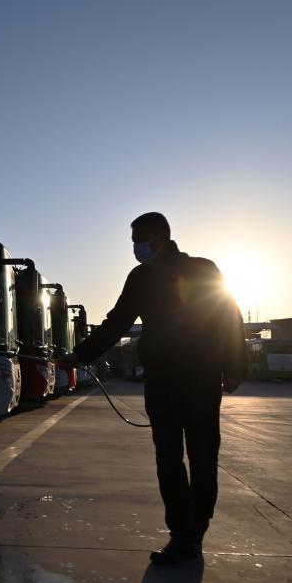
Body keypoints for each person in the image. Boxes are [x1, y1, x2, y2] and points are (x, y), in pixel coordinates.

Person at [60, 212, 245, 564]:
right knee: (168, 459)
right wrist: (80, 355)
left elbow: (229, 315)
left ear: (161, 236)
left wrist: (234, 366)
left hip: (201, 379)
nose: (136, 247)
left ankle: (196, 530)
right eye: (132, 241)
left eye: (140, 239)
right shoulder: (141, 277)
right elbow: (117, 322)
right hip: (161, 382)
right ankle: (182, 534)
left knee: (204, 458)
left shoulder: (203, 269)